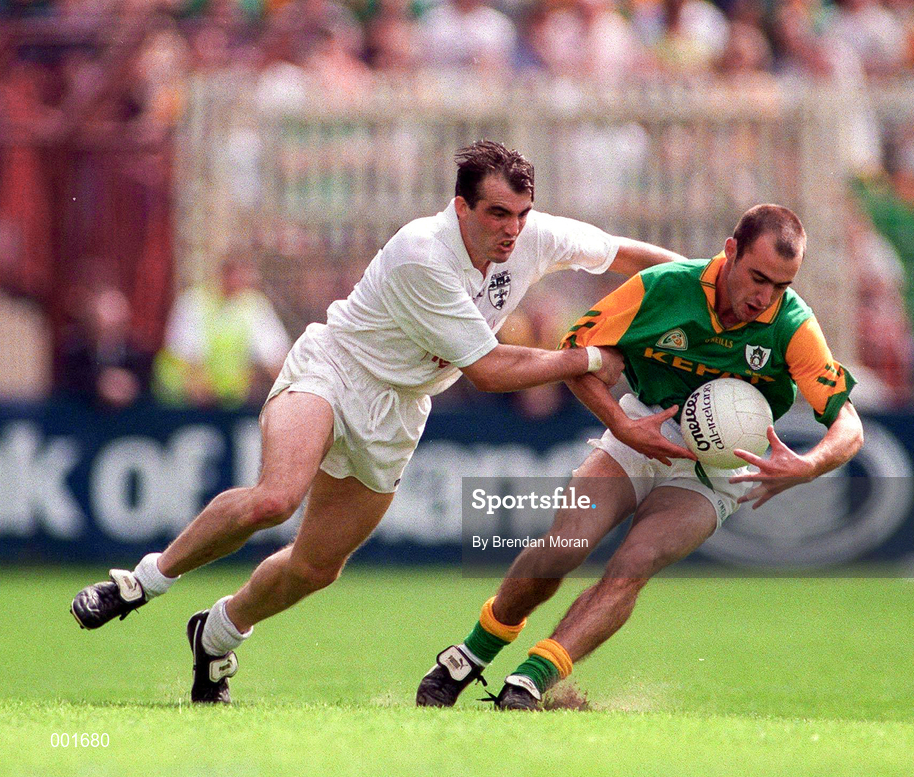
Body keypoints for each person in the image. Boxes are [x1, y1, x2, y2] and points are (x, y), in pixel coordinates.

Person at [70, 140, 684, 704]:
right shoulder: (423, 254)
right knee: (275, 499)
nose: (512, 229)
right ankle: (140, 582)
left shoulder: (534, 236)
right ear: (461, 207)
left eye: (521, 214)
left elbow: (627, 256)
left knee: (315, 568)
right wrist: (591, 359)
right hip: (337, 368)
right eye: (498, 214)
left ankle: (217, 633)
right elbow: (490, 371)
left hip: (400, 409)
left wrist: (704, 282)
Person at [416, 204, 863, 710]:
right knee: (564, 546)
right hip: (638, 430)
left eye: (781, 286)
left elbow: (849, 425)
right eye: (758, 278)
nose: (765, 298)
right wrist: (621, 423)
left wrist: (810, 464)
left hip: (712, 472)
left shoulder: (793, 325)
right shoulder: (663, 287)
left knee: (635, 563)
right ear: (731, 252)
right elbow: (575, 353)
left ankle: (531, 680)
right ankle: (470, 654)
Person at [152, 254, 291, 408]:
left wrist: (287, 397)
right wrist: (200, 388)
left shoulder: (254, 305)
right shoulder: (193, 302)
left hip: (231, 401)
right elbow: (184, 355)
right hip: (183, 403)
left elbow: (275, 356)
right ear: (222, 274)